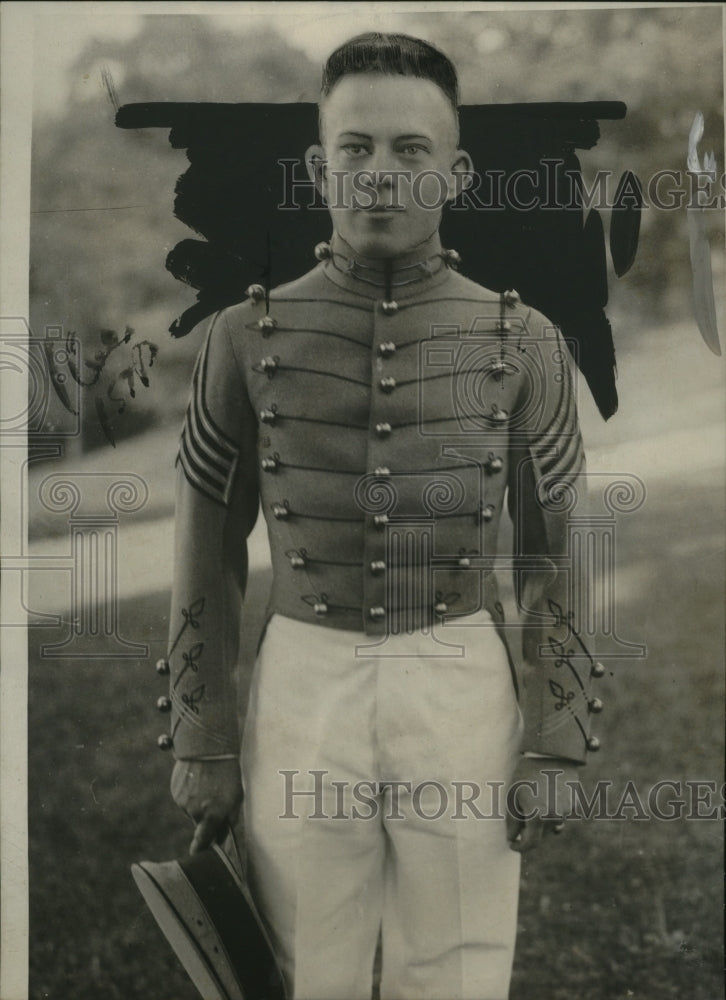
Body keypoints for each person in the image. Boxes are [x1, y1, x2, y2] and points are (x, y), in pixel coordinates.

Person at [161, 32, 600, 1000]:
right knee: (303, 967)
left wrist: (556, 740)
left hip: (458, 680)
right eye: (355, 148)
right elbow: (203, 551)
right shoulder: (239, 337)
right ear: (321, 167)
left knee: (456, 968)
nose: (380, 175)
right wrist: (203, 734)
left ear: (457, 171)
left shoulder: (525, 340)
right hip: (301, 682)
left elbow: (558, 552)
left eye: (411, 150)